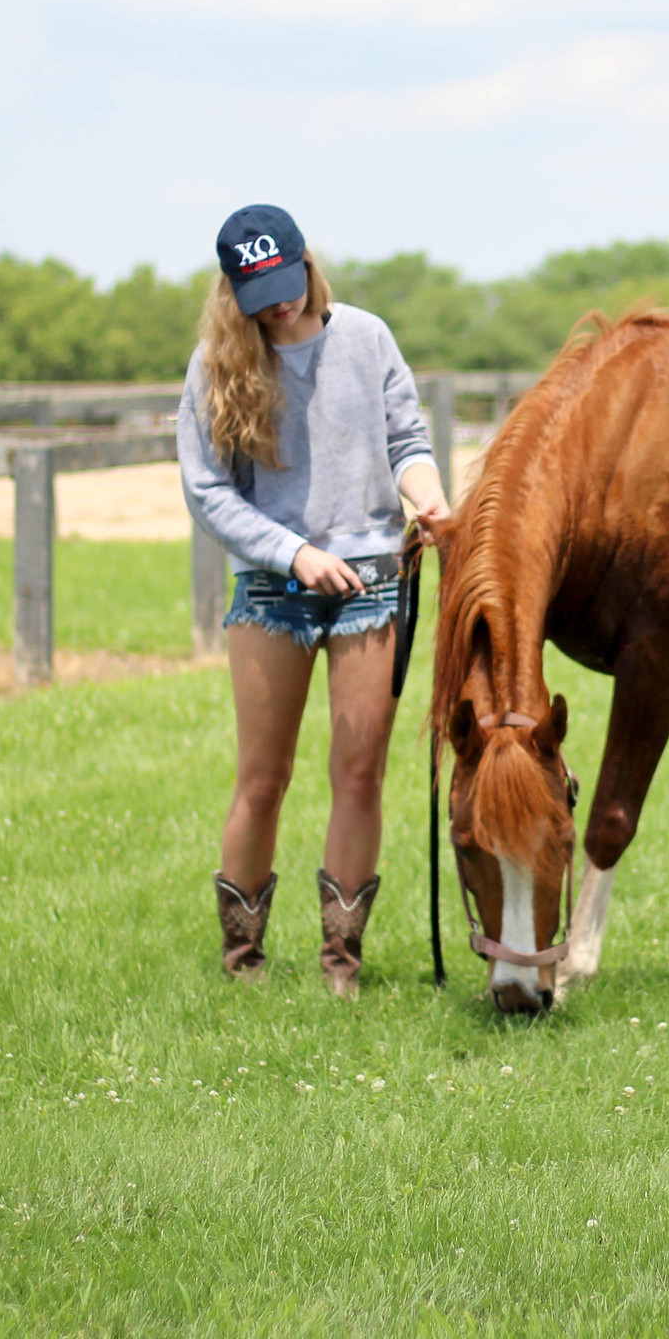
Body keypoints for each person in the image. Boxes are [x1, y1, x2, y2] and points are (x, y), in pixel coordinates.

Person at [178, 204, 448, 996]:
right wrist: (295, 553)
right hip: (272, 588)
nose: (280, 302)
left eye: (288, 281)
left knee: (359, 775)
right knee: (264, 778)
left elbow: (407, 443)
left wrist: (428, 501)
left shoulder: (367, 338)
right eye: (259, 290)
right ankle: (244, 964)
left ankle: (342, 967)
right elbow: (207, 492)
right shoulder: (216, 364)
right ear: (234, 288)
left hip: (371, 583)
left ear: (307, 262)